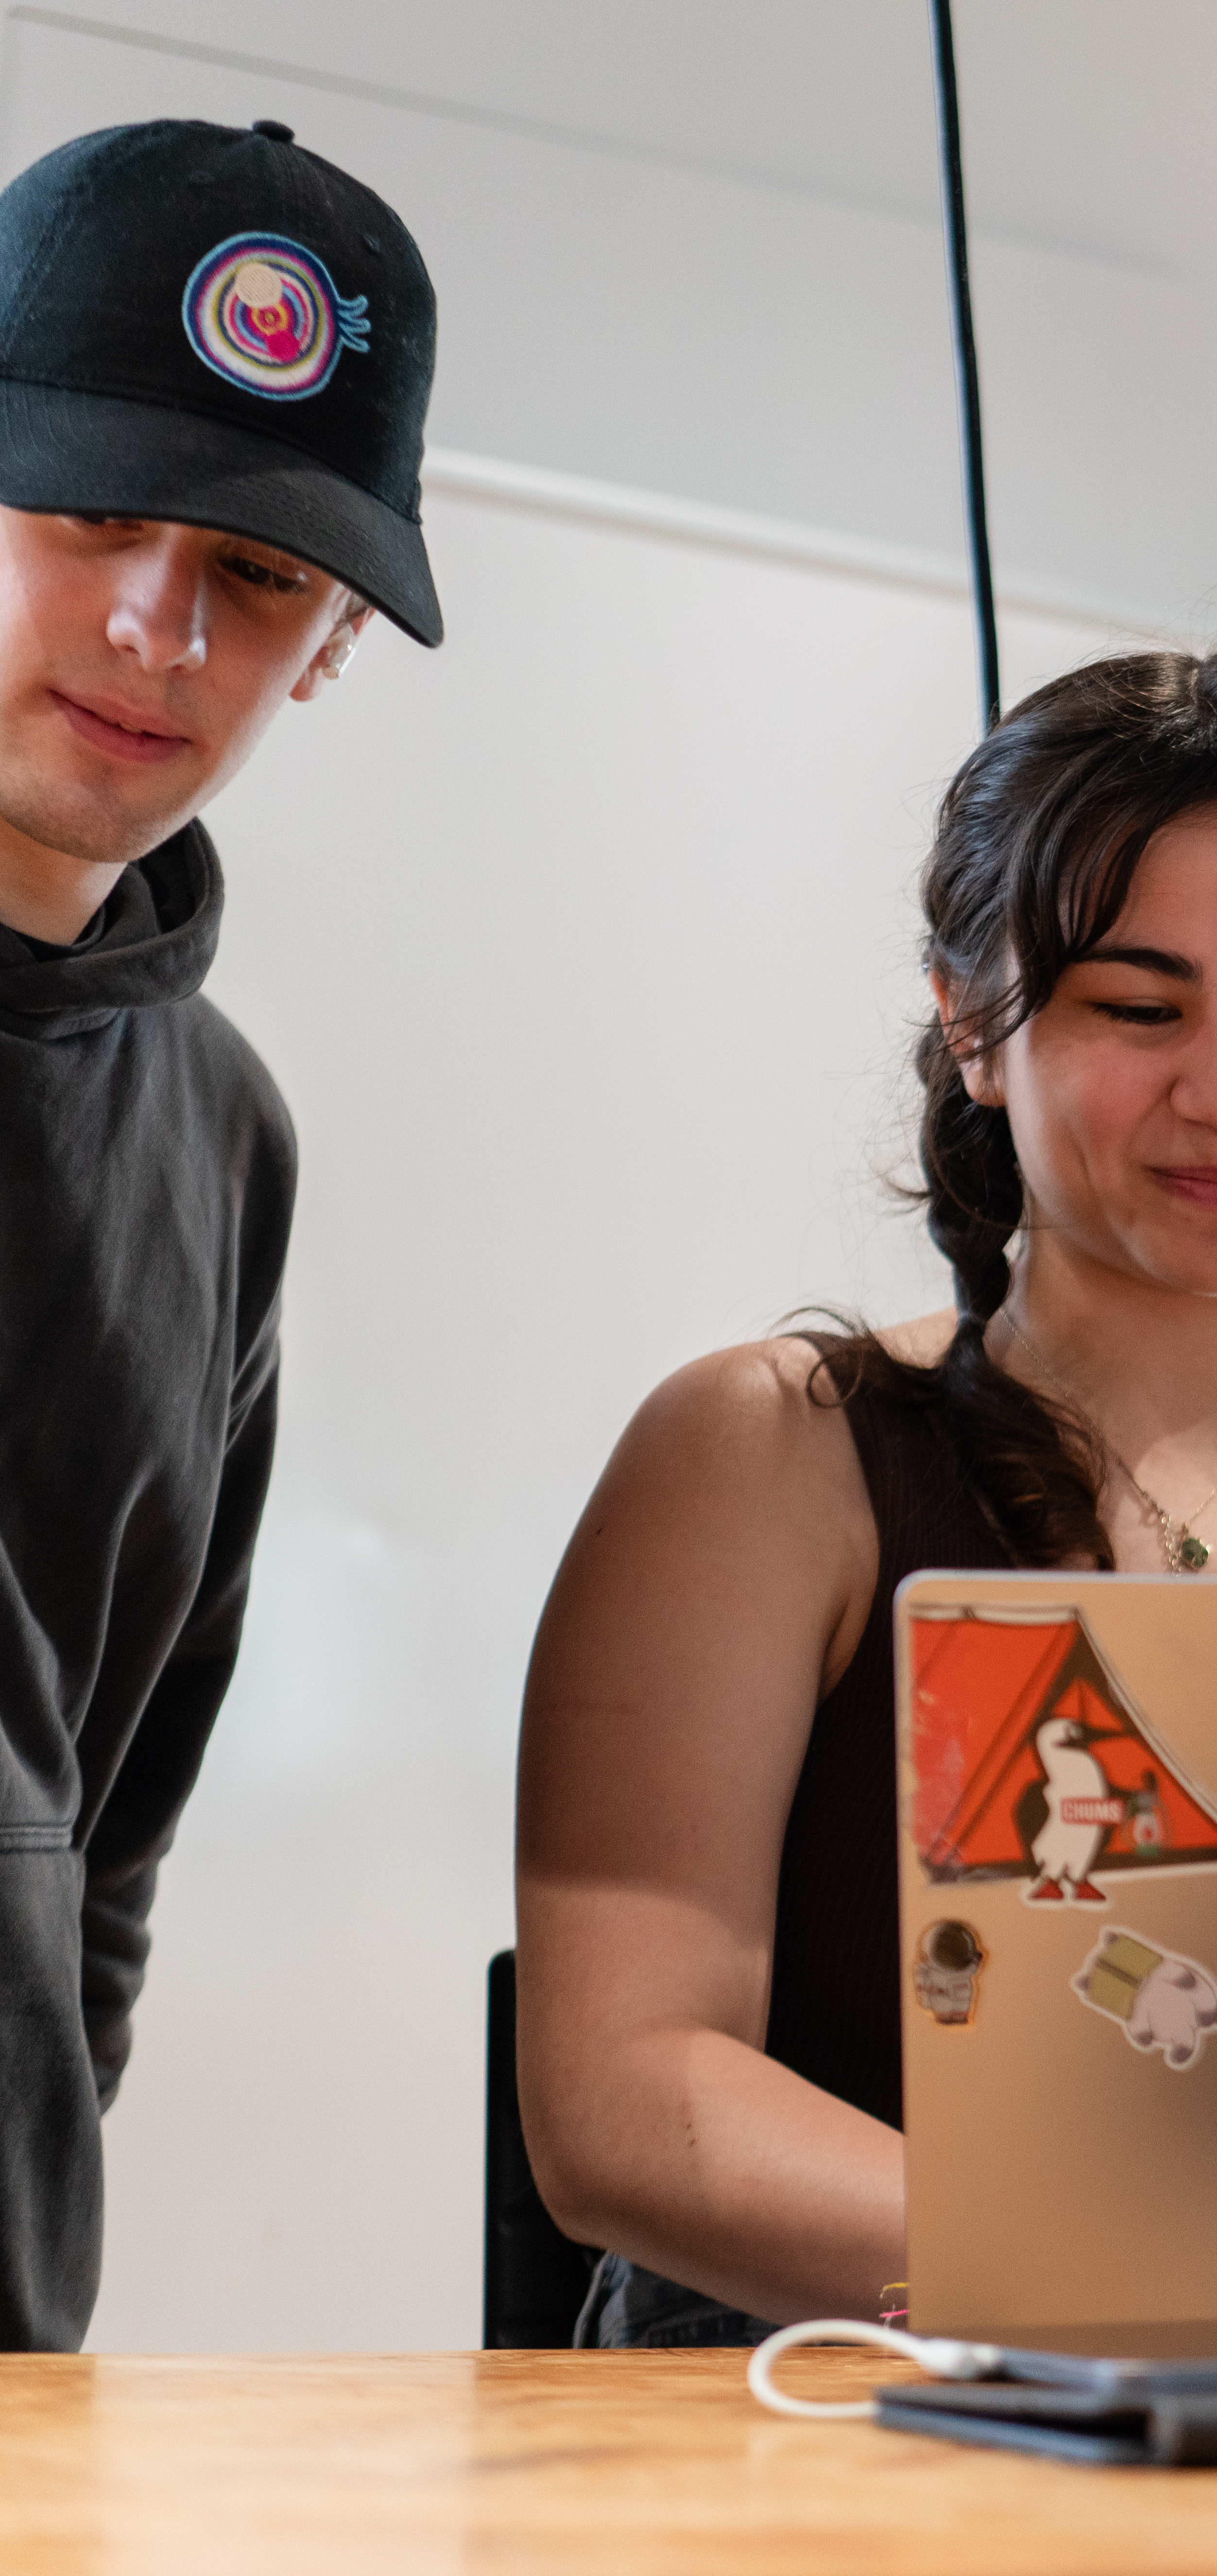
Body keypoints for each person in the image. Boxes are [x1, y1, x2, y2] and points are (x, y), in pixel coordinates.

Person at [514, 649, 1217, 2343]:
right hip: (817, 2461)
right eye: (1139, 1006)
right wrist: (1182, 2272)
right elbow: (623, 2105)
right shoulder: (767, 1461)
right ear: (972, 1022)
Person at [0, 119, 443, 2352]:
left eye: (260, 575)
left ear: (334, 646)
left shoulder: (219, 1143)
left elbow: (108, 1833)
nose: (160, 627)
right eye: (90, 513)